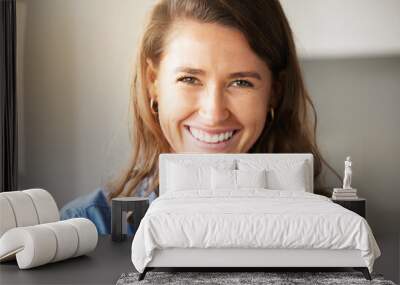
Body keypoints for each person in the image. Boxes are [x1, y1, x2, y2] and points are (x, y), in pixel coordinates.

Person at [60, 0, 340, 234]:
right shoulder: (87, 227)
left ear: (274, 93)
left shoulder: (328, 226)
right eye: (190, 79)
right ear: (153, 82)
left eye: (241, 83)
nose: (214, 113)